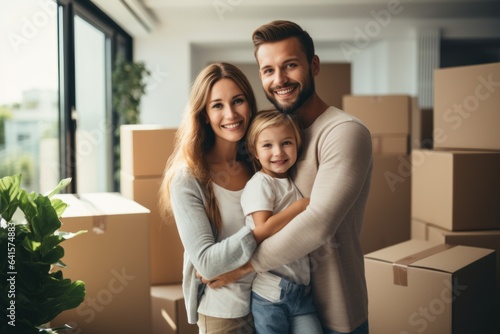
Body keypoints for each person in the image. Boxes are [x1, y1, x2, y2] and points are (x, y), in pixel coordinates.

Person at [202, 21, 373, 334]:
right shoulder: (274, 139)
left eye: (290, 65)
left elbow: (318, 223)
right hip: (271, 303)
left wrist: (241, 268)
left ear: (314, 65)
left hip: (336, 311)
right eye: (268, 70)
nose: (279, 79)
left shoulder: (344, 132)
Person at [158, 62, 309, 334]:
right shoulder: (188, 178)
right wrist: (263, 230)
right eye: (217, 105)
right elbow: (206, 263)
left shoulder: (259, 163)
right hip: (226, 313)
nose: (230, 113)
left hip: (271, 301)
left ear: (249, 104)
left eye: (237, 101)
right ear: (204, 114)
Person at [242, 109, 322, 334]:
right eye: (267, 145)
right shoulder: (261, 184)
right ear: (254, 151)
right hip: (270, 294)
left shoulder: (291, 181)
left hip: (301, 292)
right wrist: (299, 207)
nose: (278, 152)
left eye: (286, 143)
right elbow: (262, 229)